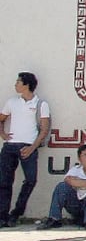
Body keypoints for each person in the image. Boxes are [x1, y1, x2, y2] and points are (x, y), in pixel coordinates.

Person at [0, 72, 50, 227]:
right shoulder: (11, 102)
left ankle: (16, 212)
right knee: (4, 182)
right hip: (10, 147)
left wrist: (32, 147)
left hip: (28, 145)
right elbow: (1, 119)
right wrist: (3, 134)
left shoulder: (41, 104)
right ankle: (2, 216)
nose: (15, 85)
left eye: (18, 82)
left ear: (26, 85)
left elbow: (44, 129)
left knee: (30, 180)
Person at [37, 144, 86, 230]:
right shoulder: (75, 169)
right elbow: (68, 181)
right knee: (62, 186)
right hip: (77, 204)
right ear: (79, 158)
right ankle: (54, 219)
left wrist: (77, 182)